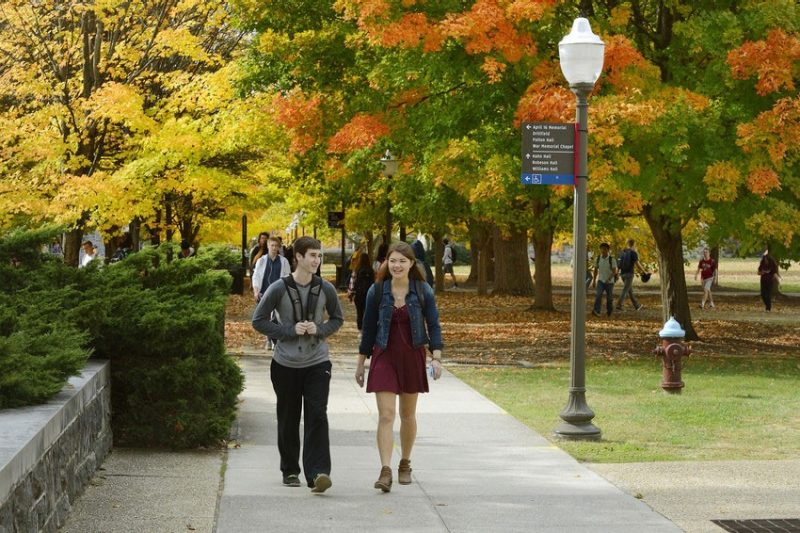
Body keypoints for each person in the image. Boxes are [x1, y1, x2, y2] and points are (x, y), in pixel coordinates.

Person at [252, 236, 344, 493]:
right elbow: (258, 320)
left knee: (317, 414)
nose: (317, 260)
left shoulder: (326, 289)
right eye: (313, 255)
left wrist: (320, 329)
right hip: (285, 364)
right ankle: (290, 470)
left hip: (318, 362)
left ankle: (318, 474)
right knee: (288, 417)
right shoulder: (278, 288)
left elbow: (337, 318)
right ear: (299, 257)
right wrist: (289, 330)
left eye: (319, 256)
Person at [355, 242, 443, 493]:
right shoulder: (377, 290)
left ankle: (405, 462)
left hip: (412, 356)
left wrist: (436, 357)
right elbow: (368, 329)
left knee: (407, 415)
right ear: (387, 263)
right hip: (384, 356)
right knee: (386, 415)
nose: (397, 265)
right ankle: (385, 470)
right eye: (392, 261)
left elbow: (434, 325)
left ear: (412, 264)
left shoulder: (422, 290)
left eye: (402, 261)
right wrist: (361, 363)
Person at [616, 239, 645, 311]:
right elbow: (637, 264)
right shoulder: (633, 253)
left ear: (627, 244)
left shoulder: (623, 252)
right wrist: (644, 271)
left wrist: (617, 273)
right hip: (629, 274)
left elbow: (619, 265)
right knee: (625, 290)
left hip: (622, 274)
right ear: (634, 244)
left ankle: (637, 306)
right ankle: (619, 305)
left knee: (630, 290)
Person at [591, 243, 617, 317]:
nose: (603, 250)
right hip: (601, 281)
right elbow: (595, 270)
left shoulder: (612, 259)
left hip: (609, 282)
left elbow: (614, 271)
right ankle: (596, 311)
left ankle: (609, 311)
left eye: (605, 249)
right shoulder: (598, 259)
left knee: (609, 298)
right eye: (602, 249)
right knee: (598, 295)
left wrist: (609, 278)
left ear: (608, 250)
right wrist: (594, 281)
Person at [352, 252, 375, 330]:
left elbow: (354, 282)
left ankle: (360, 326)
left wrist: (352, 293)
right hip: (368, 293)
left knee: (359, 312)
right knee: (367, 311)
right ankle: (366, 326)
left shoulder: (358, 270)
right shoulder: (371, 270)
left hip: (359, 294)